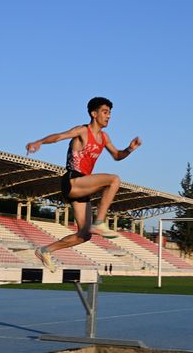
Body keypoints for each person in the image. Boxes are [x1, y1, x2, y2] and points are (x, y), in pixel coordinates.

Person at [26, 97, 142, 272]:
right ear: (93, 114)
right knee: (114, 180)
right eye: (105, 112)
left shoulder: (104, 137)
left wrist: (130, 149)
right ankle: (100, 222)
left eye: (110, 113)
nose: (108, 116)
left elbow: (117, 156)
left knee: (84, 235)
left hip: (83, 186)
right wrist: (40, 142)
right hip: (73, 180)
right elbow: (59, 136)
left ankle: (45, 250)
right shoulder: (82, 131)